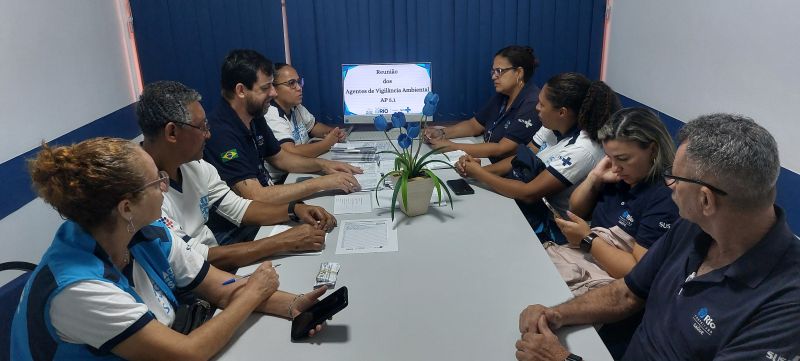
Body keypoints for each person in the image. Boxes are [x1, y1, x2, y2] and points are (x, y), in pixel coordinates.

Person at [12, 137, 327, 360]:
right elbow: (187, 353)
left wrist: (294, 304)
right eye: (156, 182)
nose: (166, 186)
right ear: (126, 208)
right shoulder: (79, 288)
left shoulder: (148, 233)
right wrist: (253, 294)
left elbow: (222, 288)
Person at [516, 114, 800, 360]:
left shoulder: (786, 305)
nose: (669, 186)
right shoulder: (693, 227)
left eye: (675, 178)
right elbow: (626, 293)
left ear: (706, 200)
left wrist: (561, 359)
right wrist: (557, 314)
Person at [138, 81, 335, 270]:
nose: (208, 135)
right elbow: (196, 258)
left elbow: (239, 208)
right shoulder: (143, 196)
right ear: (172, 132)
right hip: (198, 281)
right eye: (202, 127)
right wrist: (282, 242)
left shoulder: (197, 166)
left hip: (216, 266)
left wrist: (295, 209)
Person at [457, 72, 621, 243]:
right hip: (527, 209)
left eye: (542, 104)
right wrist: (477, 169)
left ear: (562, 112)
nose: (537, 108)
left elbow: (529, 193)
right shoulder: (552, 125)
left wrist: (479, 174)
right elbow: (519, 160)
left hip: (553, 227)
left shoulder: (583, 149)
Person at [204, 49, 362, 205]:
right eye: (266, 88)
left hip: (267, 201)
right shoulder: (220, 132)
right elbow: (255, 196)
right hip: (242, 225)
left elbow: (281, 158)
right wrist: (321, 183)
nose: (273, 93)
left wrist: (325, 165)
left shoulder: (254, 116)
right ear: (241, 91)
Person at [547, 108, 678, 295]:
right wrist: (594, 177)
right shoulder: (619, 175)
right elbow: (576, 210)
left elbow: (637, 272)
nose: (615, 167)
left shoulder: (665, 197)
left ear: (653, 150)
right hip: (584, 261)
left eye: (623, 158)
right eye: (609, 157)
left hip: (607, 285)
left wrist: (587, 239)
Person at [423, 45, 542, 163]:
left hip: (506, 172)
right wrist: (442, 133)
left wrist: (451, 147)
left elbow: (502, 149)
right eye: (493, 71)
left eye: (499, 71)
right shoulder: (503, 95)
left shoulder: (531, 103)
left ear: (519, 73)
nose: (493, 76)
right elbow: (474, 125)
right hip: (486, 160)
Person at [265, 63, 347, 158]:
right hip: (285, 172)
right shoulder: (270, 114)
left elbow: (314, 127)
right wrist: (327, 144)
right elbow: (290, 152)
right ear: (274, 88)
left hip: (301, 166)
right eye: (291, 83)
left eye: (298, 81)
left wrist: (333, 132)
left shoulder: (296, 106)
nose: (299, 88)